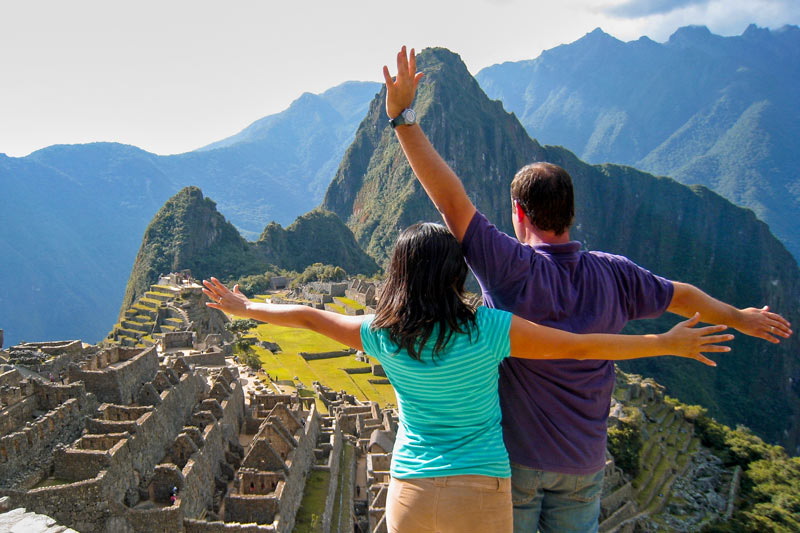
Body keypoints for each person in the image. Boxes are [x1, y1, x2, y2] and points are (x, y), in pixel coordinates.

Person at [382, 46, 793, 532]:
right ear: (571, 213)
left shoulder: (510, 268)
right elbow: (683, 295)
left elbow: (449, 199)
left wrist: (403, 118)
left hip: (516, 460)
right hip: (583, 464)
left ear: (519, 214)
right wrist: (740, 318)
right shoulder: (615, 273)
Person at [203, 222, 733, 533]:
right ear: (457, 272)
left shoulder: (383, 334)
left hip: (411, 489)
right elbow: (580, 345)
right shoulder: (489, 328)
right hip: (482, 486)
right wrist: (663, 343)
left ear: (398, 276)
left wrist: (245, 307)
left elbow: (308, 316)